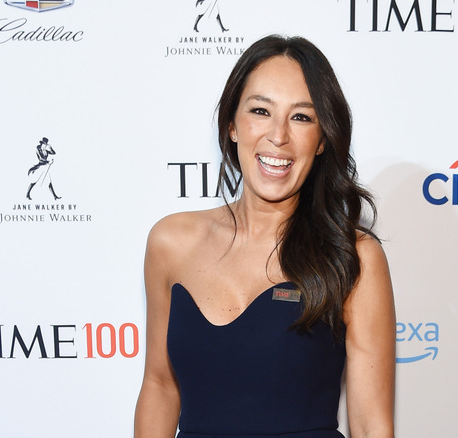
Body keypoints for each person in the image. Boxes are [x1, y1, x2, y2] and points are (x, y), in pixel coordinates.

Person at [134, 35, 395, 438]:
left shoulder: (353, 256)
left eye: (302, 117)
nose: (278, 136)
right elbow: (160, 385)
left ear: (323, 139)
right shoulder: (171, 242)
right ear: (232, 125)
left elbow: (370, 424)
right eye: (260, 111)